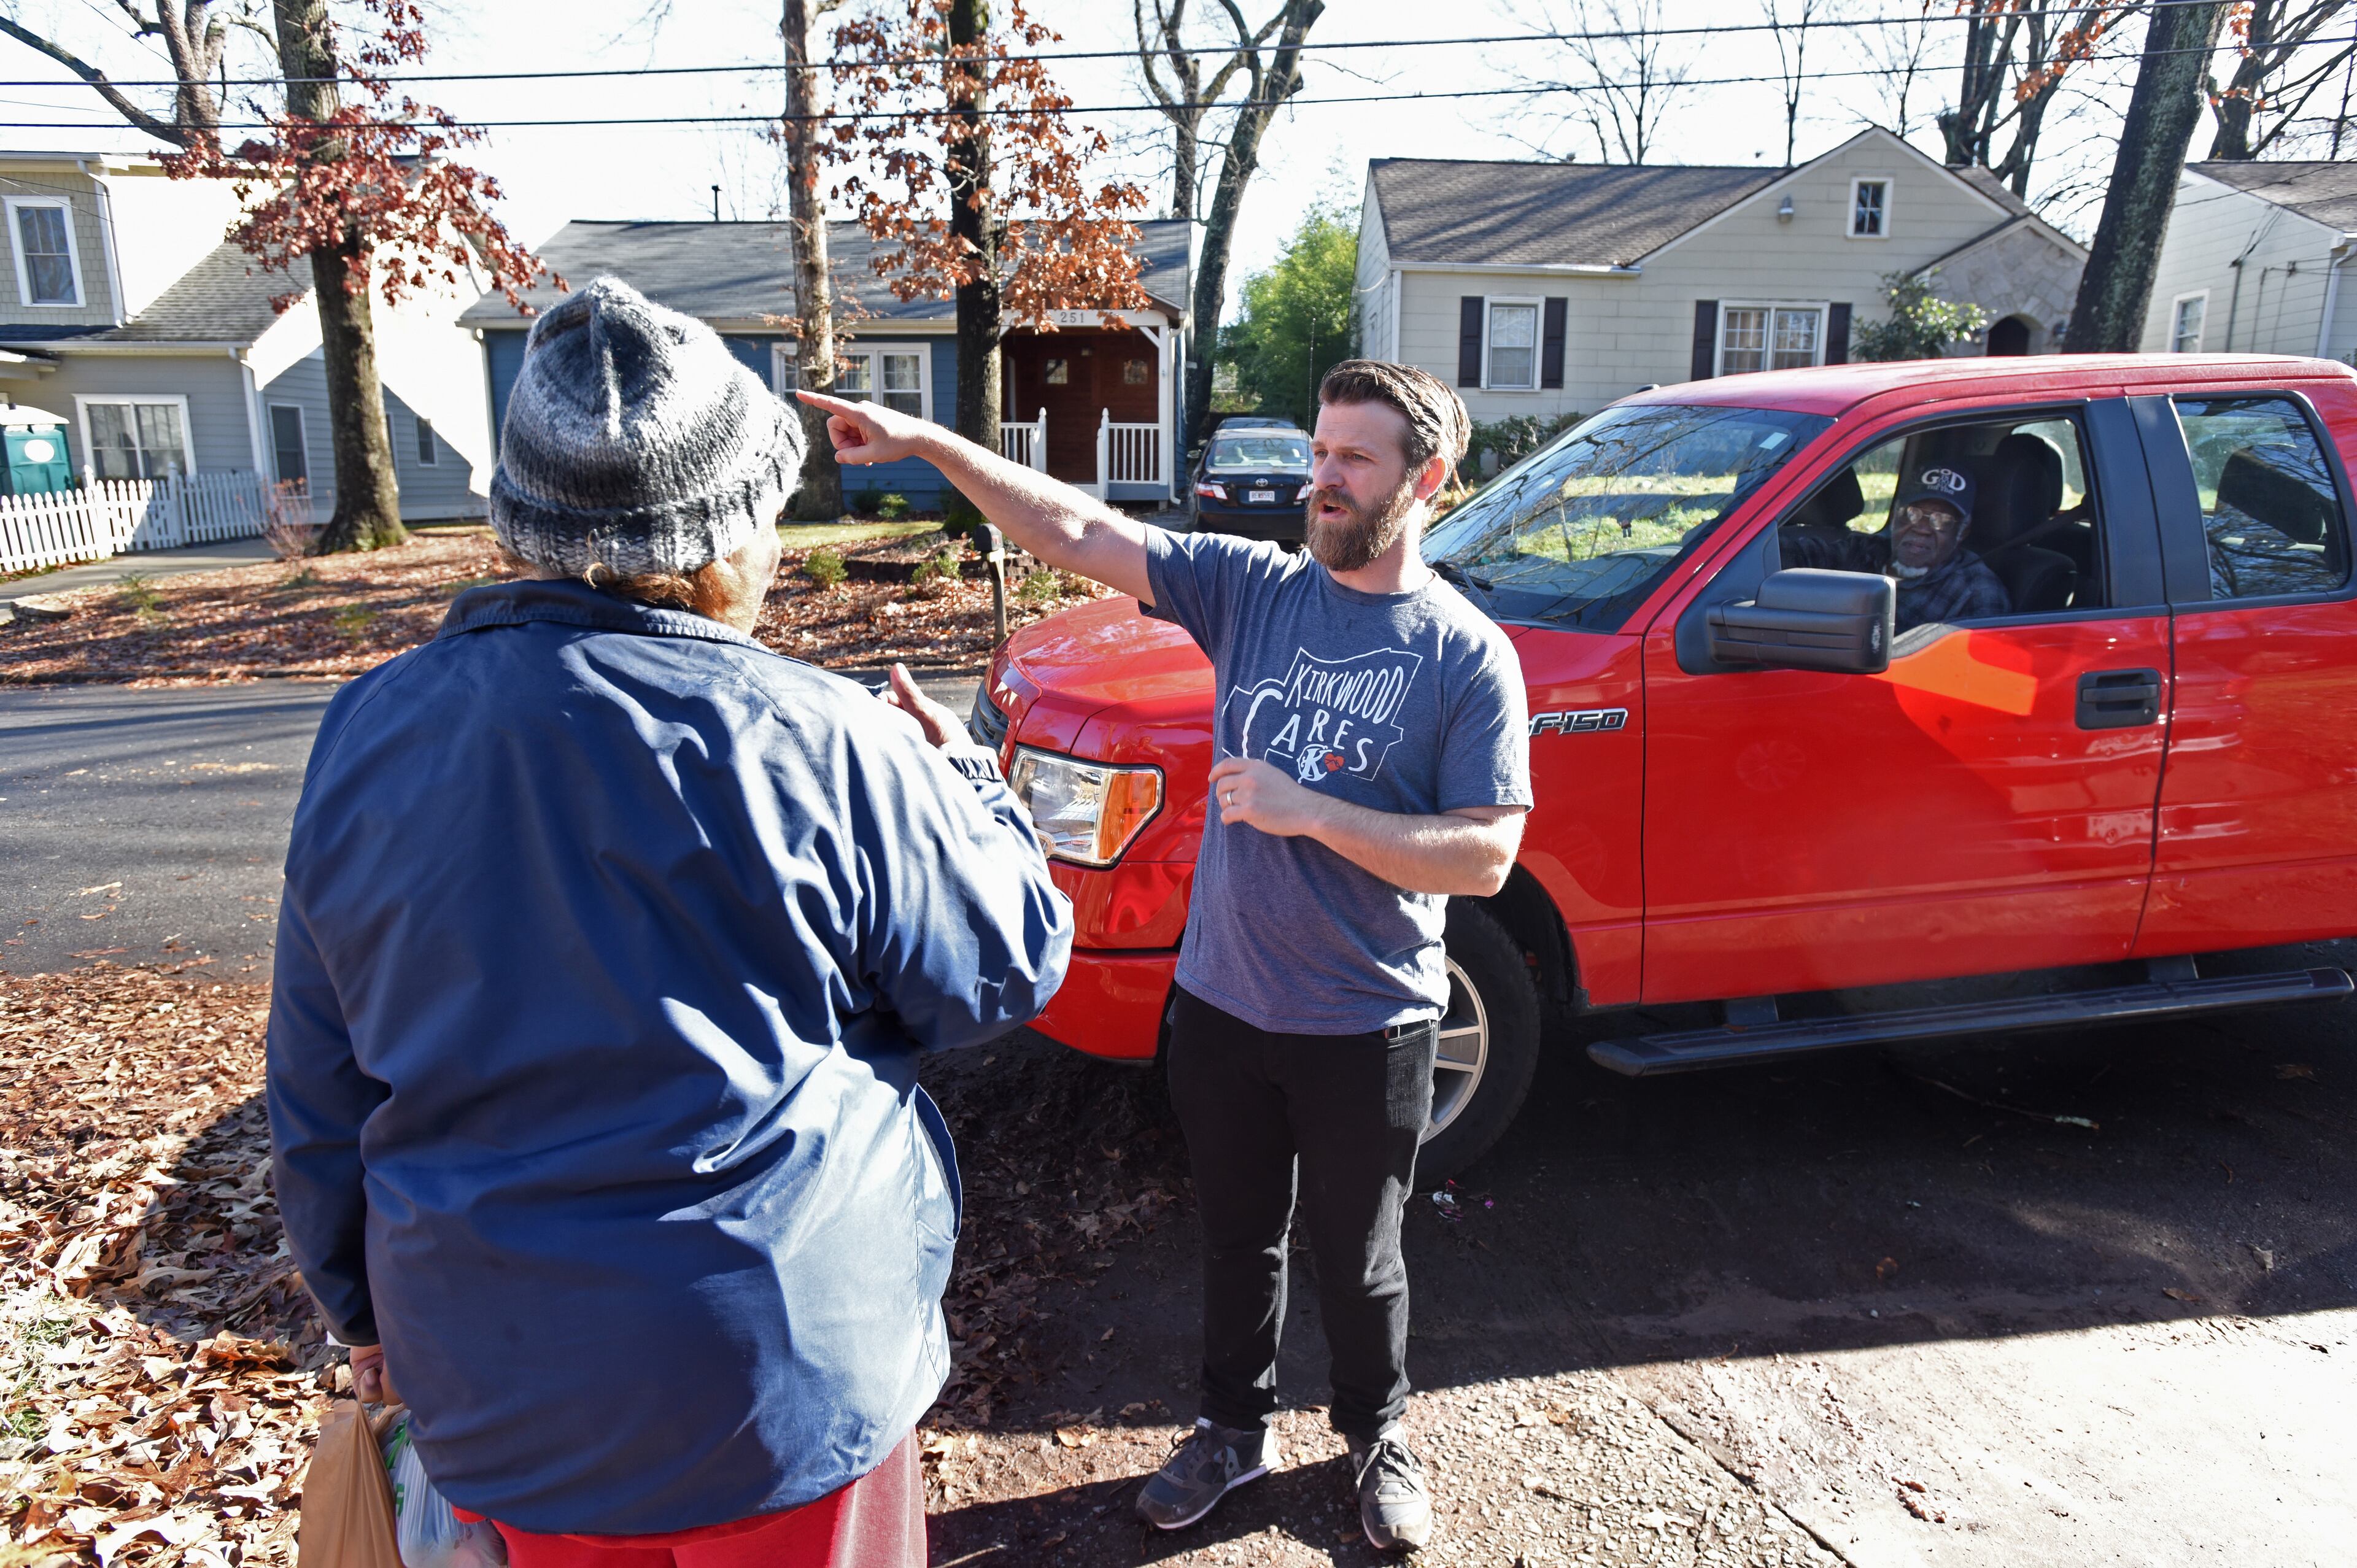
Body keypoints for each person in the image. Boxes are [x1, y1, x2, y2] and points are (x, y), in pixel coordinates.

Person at [268, 277, 1071, 1568]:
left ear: (518, 523)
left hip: (498, 1367)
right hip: (775, 1375)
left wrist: (365, 1309)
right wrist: (970, 784)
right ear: (727, 528)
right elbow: (999, 971)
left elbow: (318, 1079)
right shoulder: (832, 738)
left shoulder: (367, 731)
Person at [799, 360, 1532, 1553]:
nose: (1323, 479)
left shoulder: (1464, 656)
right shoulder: (1252, 589)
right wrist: (929, 439)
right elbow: (1080, 525)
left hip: (1370, 1021)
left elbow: (1488, 855)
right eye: (1320, 450)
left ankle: (1375, 1430)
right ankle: (1232, 1431)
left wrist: (1313, 811)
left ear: (1428, 479)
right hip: (1225, 1007)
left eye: (1354, 458)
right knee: (1237, 1237)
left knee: (1359, 1256)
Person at [1786, 464, 2010, 632]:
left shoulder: (1976, 592)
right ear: (1895, 516)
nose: (1922, 529)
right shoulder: (1864, 552)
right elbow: (1797, 555)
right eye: (1912, 514)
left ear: (1962, 531)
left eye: (1941, 520)